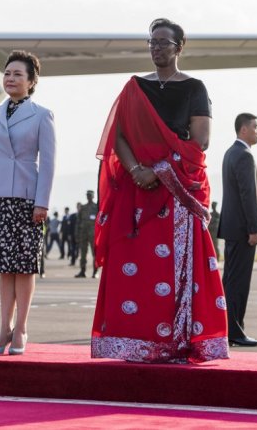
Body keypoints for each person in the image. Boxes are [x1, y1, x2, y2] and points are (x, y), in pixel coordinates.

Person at [91, 18, 229, 363]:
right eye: (152, 42)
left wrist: (159, 171)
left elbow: (201, 141)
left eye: (163, 43)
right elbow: (118, 137)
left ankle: (177, 341)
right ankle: (136, 342)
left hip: (177, 187)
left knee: (173, 268)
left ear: (179, 47)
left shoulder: (194, 88)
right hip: (136, 189)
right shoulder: (135, 87)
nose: (156, 48)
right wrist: (137, 171)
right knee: (134, 266)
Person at [0, 50, 56, 355]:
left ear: (31, 81)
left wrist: (42, 202)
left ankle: (21, 329)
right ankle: (3, 328)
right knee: (4, 267)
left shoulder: (42, 115)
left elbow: (48, 163)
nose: (10, 78)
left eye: (18, 74)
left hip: (26, 199)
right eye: (7, 73)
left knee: (24, 266)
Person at [217, 113, 257, 347]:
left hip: (232, 228)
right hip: (243, 230)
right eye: (255, 127)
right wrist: (254, 229)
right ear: (243, 129)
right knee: (238, 283)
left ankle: (227, 329)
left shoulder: (230, 153)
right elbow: (248, 195)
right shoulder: (244, 155)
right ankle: (234, 332)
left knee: (231, 281)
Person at [74, 190, 98, 278]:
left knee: (95, 253)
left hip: (93, 234)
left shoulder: (97, 207)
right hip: (83, 234)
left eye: (90, 195)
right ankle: (82, 271)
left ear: (93, 196)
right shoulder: (83, 208)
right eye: (88, 195)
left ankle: (95, 272)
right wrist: (77, 234)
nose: (89, 197)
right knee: (83, 253)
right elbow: (78, 222)